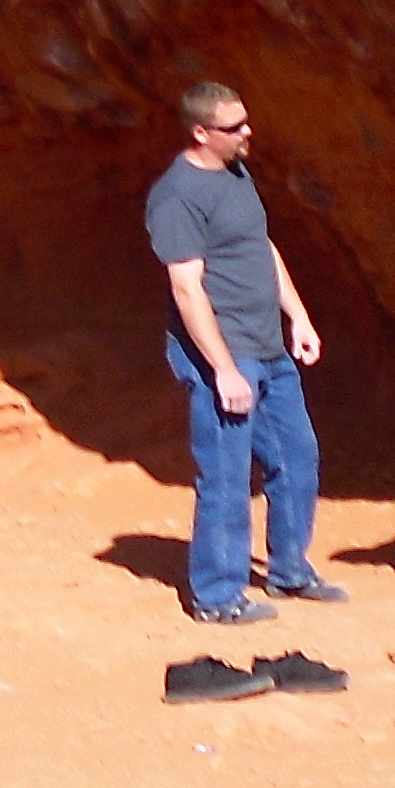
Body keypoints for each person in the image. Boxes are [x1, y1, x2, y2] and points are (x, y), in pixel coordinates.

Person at [144, 78, 341, 625]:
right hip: (225, 356)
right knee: (227, 475)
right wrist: (223, 370)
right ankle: (217, 595)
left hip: (268, 346)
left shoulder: (236, 172)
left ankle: (290, 569)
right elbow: (187, 289)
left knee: (297, 455)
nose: (247, 133)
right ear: (201, 133)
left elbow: (261, 247)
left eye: (246, 122)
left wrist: (297, 315)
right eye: (234, 127)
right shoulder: (176, 197)